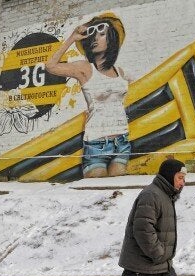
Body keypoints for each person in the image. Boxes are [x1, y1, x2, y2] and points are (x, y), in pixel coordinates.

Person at [46, 12, 132, 178]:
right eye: (92, 35)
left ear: (112, 38)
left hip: (122, 141)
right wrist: (72, 38)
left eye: (101, 34)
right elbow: (50, 66)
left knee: (118, 194)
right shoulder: (85, 69)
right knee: (96, 193)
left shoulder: (121, 72)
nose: (95, 39)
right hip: (96, 143)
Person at [105, 158, 188, 276]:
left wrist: (162, 258)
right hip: (142, 267)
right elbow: (143, 229)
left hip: (162, 267)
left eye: (183, 179)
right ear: (170, 176)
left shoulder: (165, 195)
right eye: (180, 178)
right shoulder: (151, 195)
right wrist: (158, 254)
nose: (182, 183)